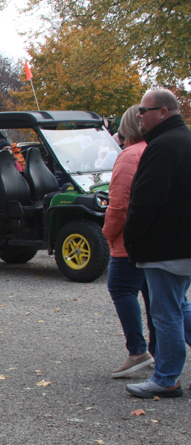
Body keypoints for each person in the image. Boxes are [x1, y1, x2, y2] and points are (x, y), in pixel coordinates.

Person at [123, 88, 191, 398]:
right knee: (179, 306)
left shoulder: (162, 146)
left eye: (144, 110)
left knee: (165, 313)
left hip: (166, 246)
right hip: (181, 243)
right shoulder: (184, 140)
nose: (139, 115)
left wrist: (133, 237)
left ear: (162, 112)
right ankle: (167, 375)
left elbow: (146, 199)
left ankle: (166, 379)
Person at [102, 105, 155, 378]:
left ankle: (137, 350)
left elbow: (119, 205)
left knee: (121, 288)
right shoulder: (157, 151)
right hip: (159, 239)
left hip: (129, 241)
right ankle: (157, 350)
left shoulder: (128, 157)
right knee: (160, 299)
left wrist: (108, 233)